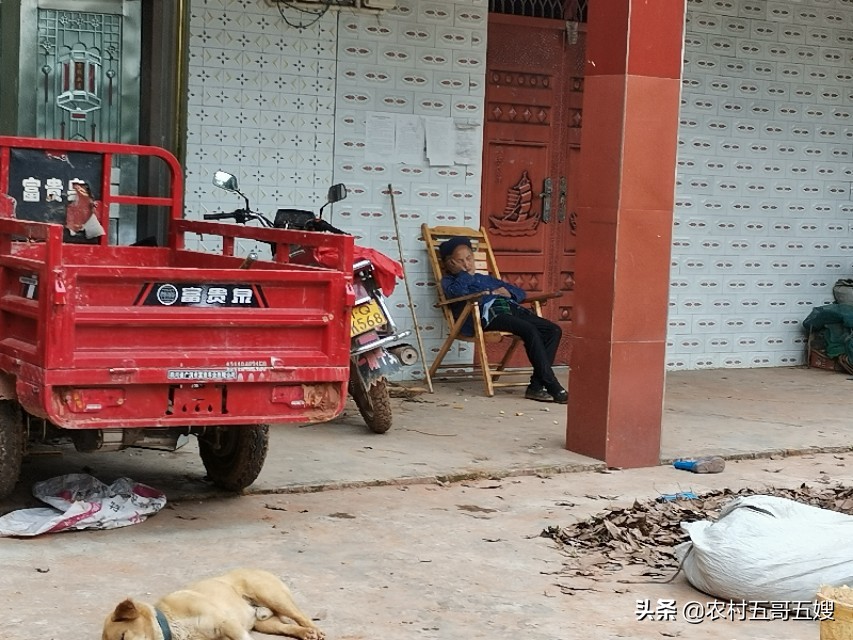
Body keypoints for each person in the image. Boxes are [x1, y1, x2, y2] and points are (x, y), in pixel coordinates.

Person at [439, 236, 567, 404]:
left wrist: (510, 294)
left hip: (511, 309)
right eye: (460, 261)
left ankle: (536, 386)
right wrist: (464, 275)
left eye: (469, 258)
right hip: (488, 314)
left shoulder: (485, 279)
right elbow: (456, 293)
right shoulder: (450, 281)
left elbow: (519, 293)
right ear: (450, 264)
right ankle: (553, 386)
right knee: (529, 330)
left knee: (553, 330)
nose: (467, 264)